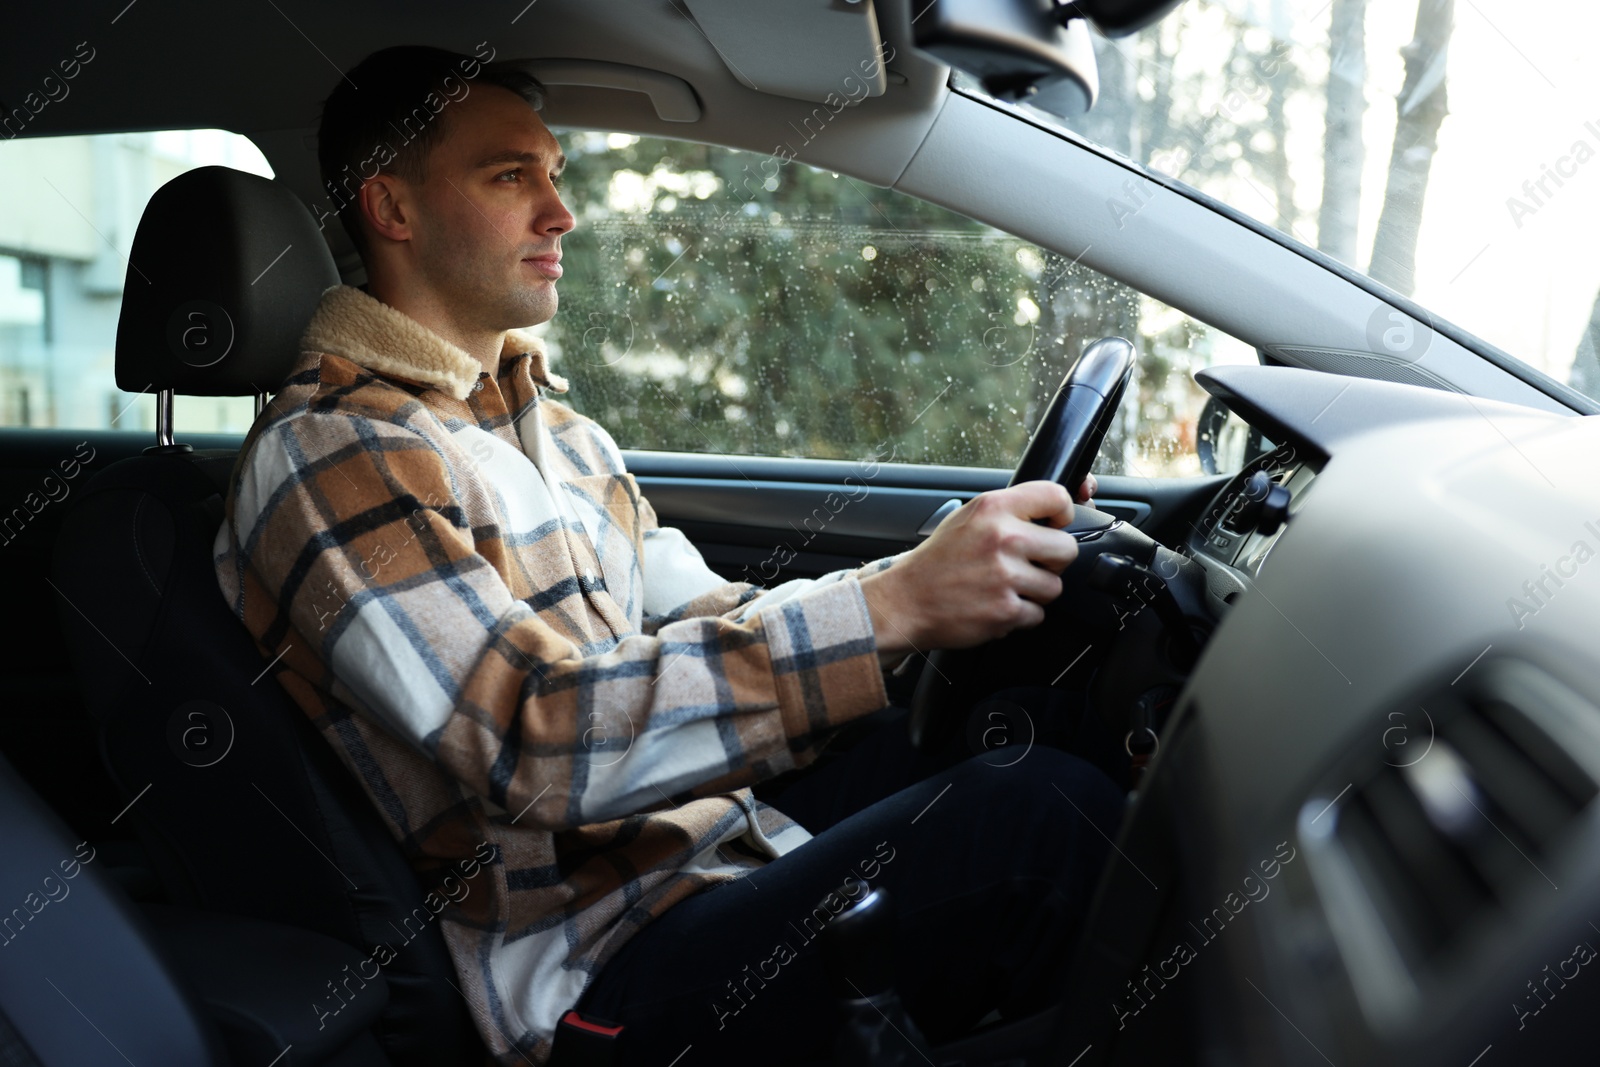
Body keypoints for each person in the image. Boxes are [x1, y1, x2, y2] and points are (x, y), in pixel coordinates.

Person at [213, 44, 1122, 1067]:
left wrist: (938, 582)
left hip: (706, 842)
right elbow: (530, 743)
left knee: (1051, 705)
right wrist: (891, 604)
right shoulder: (334, 451)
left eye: (554, 175)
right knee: (1039, 819)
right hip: (596, 959)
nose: (559, 213)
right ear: (393, 209)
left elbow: (714, 617)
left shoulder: (554, 430)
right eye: (511, 177)